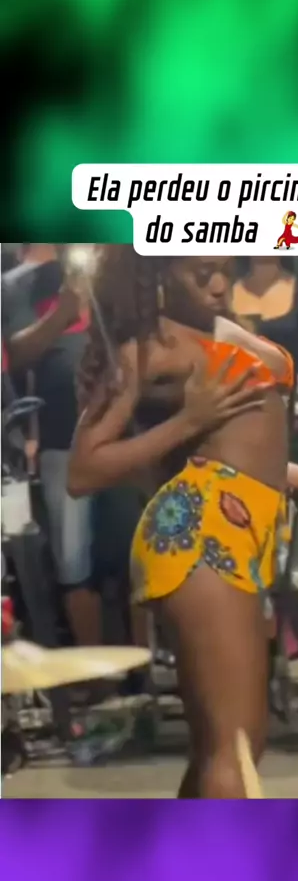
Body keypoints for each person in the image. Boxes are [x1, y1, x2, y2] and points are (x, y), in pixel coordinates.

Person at [68, 248, 298, 799]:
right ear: (159, 274)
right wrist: (189, 419)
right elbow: (83, 470)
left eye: (225, 270)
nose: (216, 284)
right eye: (199, 272)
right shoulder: (148, 348)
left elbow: (233, 442)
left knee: (228, 747)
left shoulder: (214, 328)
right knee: (234, 750)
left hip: (241, 528)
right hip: (200, 534)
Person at [1, 243, 101, 647]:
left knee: (130, 554)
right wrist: (63, 312)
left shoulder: (119, 276)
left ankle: (141, 671)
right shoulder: (16, 286)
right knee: (74, 566)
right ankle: (100, 674)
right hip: (63, 439)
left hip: (127, 434)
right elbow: (16, 355)